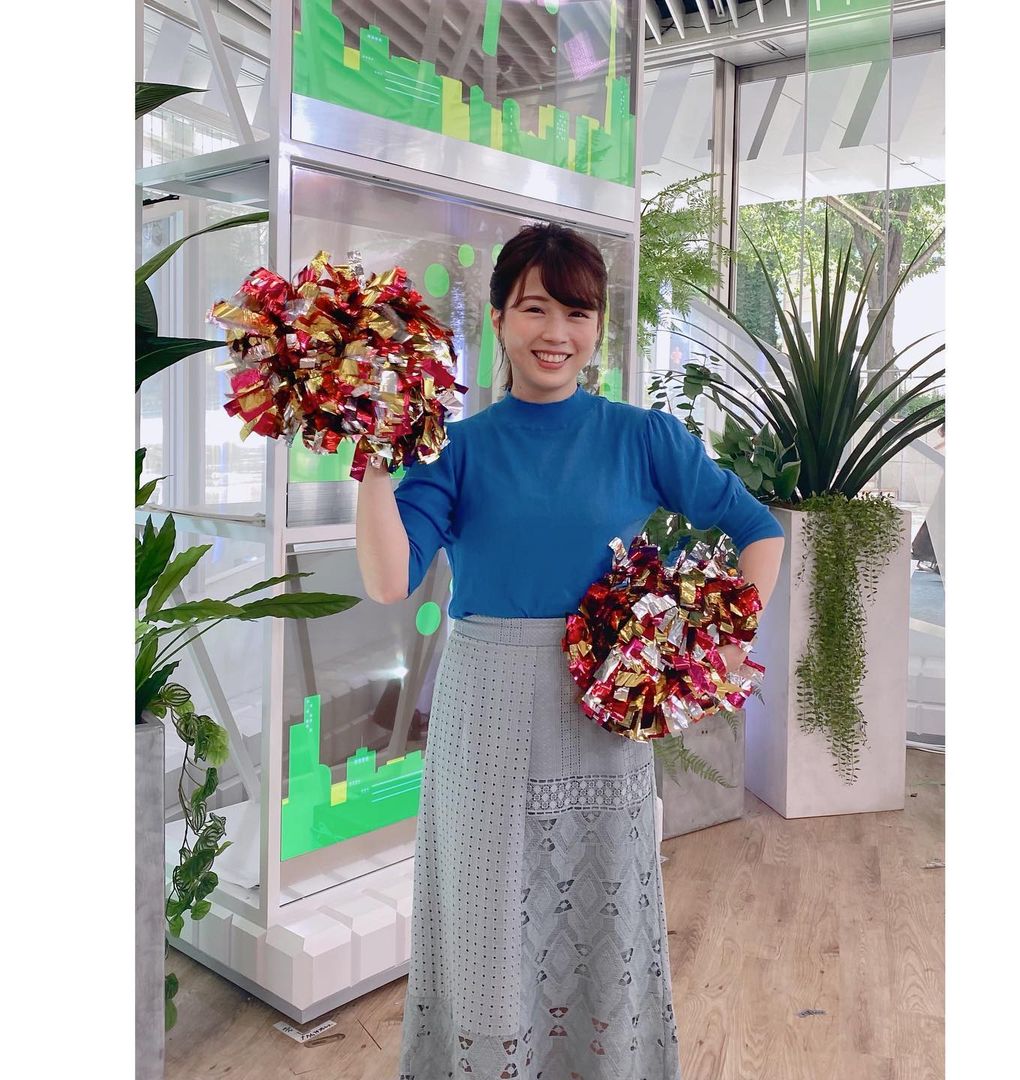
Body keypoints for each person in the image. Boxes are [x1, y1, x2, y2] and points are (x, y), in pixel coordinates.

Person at [356, 222, 785, 1080]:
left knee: (603, 915)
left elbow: (757, 529)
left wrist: (712, 652)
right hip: (485, 715)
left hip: (604, 709)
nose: (557, 332)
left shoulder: (642, 436)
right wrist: (373, 463)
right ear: (499, 320)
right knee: (485, 923)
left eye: (578, 312)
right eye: (535, 308)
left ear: (598, 326)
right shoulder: (457, 448)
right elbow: (389, 578)